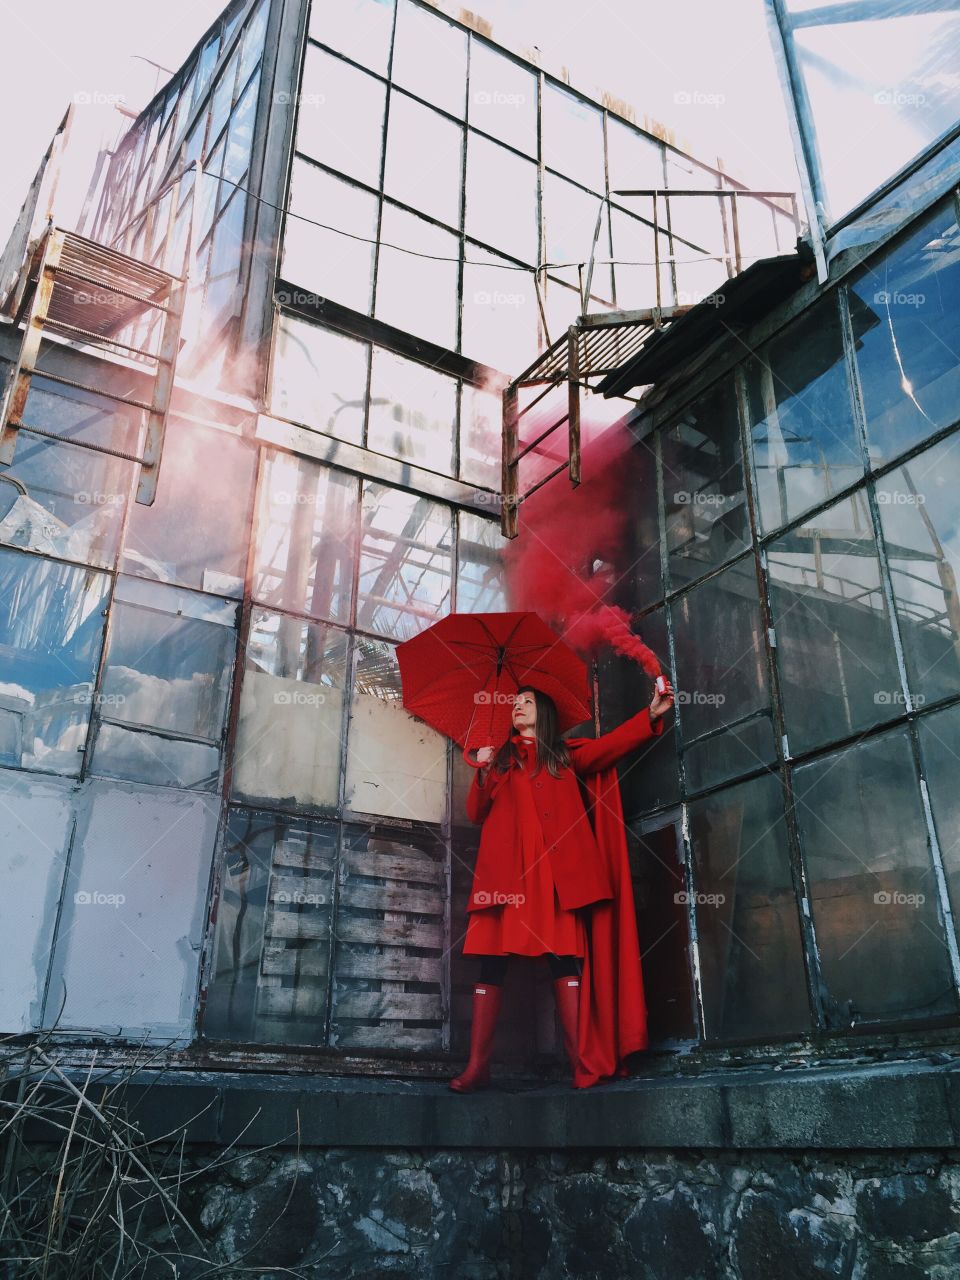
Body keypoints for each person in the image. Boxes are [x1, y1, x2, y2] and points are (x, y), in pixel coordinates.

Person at [449, 677, 675, 1092]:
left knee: (562, 961)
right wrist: (481, 770)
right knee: (492, 965)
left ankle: (581, 1064)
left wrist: (651, 715)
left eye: (527, 702)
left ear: (544, 714)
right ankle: (477, 1066)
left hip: (553, 882)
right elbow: (476, 811)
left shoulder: (565, 758)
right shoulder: (498, 761)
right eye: (515, 703)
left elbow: (611, 746)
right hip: (504, 885)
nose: (518, 707)